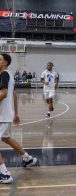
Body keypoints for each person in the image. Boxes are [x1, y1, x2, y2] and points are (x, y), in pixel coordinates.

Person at [0, 53, 37, 184]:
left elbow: (4, 94)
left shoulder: (3, 74)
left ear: (5, 63)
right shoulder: (9, 75)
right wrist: (16, 113)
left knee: (5, 138)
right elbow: (14, 95)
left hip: (2, 115)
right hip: (7, 114)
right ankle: (27, 158)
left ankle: (3, 173)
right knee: (6, 138)